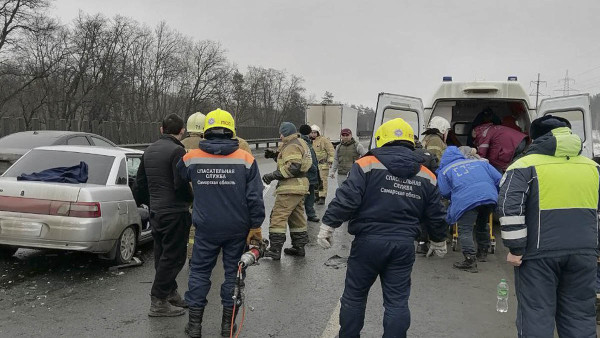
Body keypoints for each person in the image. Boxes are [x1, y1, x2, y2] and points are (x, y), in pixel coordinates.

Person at [318, 118, 448, 337]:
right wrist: (438, 239)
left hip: (368, 243)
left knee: (354, 297)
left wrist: (329, 224)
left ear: (381, 139)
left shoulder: (367, 164)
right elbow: (435, 212)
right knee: (397, 302)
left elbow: (347, 198)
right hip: (403, 245)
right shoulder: (426, 174)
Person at [498, 115, 600, 338]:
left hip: (537, 256)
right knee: (580, 315)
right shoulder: (593, 167)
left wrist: (515, 248)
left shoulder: (524, 165)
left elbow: (509, 207)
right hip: (584, 254)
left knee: (536, 314)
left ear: (534, 139)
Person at [177, 108, 265, 337]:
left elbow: (179, 178)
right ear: (231, 130)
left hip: (205, 228)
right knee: (233, 275)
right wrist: (255, 226)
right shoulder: (246, 159)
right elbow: (255, 197)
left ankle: (194, 327)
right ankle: (227, 327)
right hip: (237, 228)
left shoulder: (191, 157)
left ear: (206, 131)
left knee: (198, 274)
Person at [135, 114, 193, 317]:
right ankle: (158, 301)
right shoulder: (178, 150)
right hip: (175, 212)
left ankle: (170, 293)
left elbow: (139, 183)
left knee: (162, 255)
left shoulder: (148, 150)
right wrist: (189, 201)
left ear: (161, 130)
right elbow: (180, 184)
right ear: (182, 131)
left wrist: (150, 204)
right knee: (174, 257)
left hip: (156, 212)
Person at [437, 146, 502, 272]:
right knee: (482, 223)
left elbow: (444, 192)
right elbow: (499, 178)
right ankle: (482, 252)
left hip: (466, 200)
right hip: (488, 196)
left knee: (465, 229)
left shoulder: (445, 170)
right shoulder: (479, 162)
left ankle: (470, 260)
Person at [262, 122, 313, 259]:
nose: (280, 136)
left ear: (285, 133)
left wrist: (272, 176)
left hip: (290, 187)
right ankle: (299, 247)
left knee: (278, 217)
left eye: (281, 133)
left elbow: (293, 167)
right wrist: (274, 155)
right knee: (297, 218)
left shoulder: (291, 145)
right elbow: (291, 162)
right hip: (300, 186)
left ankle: (275, 249)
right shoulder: (299, 142)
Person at [181, 112, 206, 261]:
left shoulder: (180, 144)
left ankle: (188, 255)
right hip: (200, 191)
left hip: (183, 191)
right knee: (196, 228)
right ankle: (194, 256)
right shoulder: (205, 145)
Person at [414, 136, 441, 254]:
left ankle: (417, 240)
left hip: (410, 187)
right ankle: (423, 243)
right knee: (426, 215)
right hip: (426, 188)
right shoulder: (429, 154)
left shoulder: (407, 154)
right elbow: (436, 172)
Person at [299, 124, 322, 222]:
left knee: (310, 195)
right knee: (306, 196)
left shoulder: (307, 142)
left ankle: (310, 214)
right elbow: (307, 159)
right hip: (307, 174)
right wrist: (314, 168)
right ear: (309, 132)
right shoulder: (304, 143)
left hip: (310, 174)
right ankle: (306, 215)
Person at [310, 124, 335, 205]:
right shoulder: (310, 141)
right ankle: (316, 196)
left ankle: (322, 197)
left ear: (318, 132)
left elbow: (331, 150)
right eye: (312, 132)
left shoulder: (324, 140)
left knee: (322, 181)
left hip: (323, 164)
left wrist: (330, 161)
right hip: (313, 165)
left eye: (315, 132)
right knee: (315, 181)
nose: (313, 134)